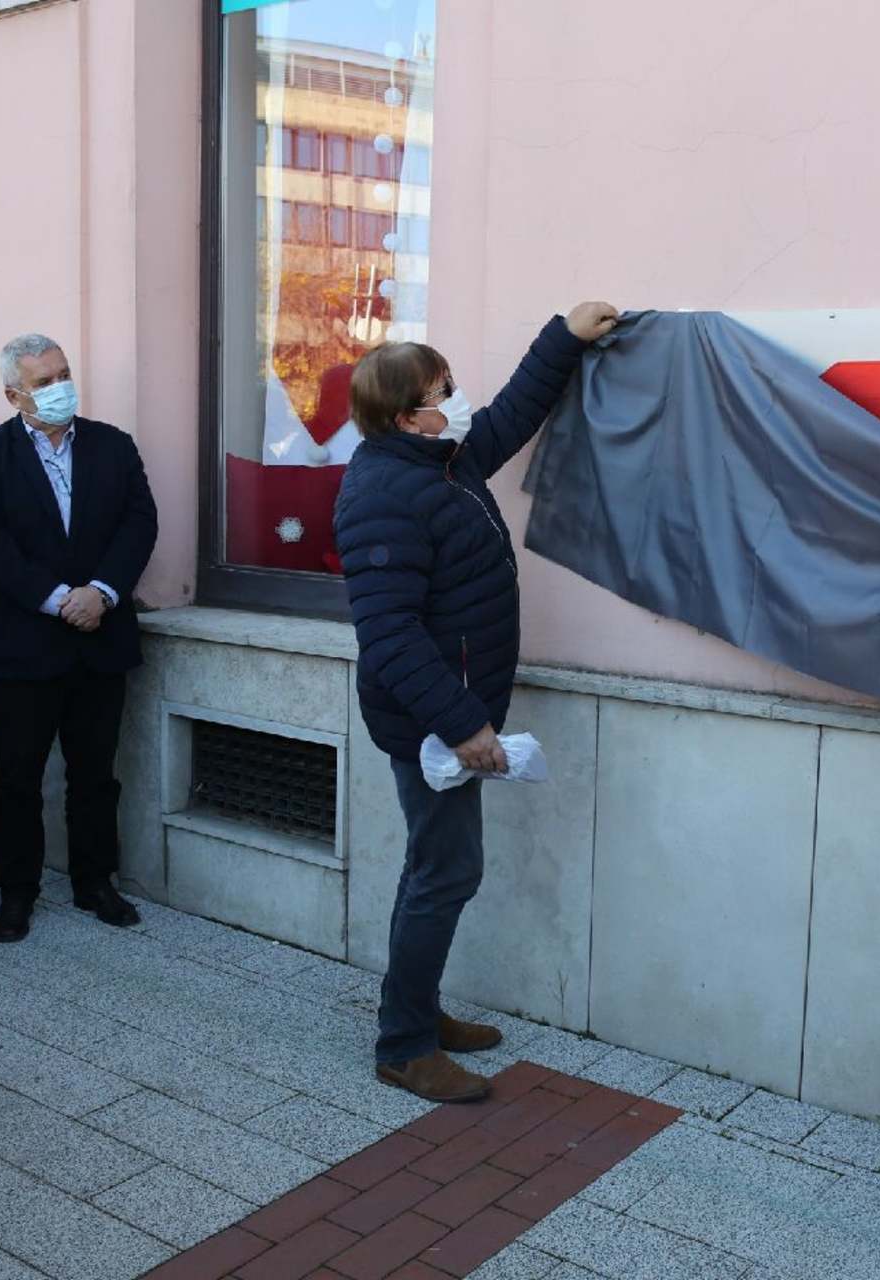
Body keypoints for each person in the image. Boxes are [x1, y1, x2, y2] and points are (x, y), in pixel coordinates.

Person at [334, 301, 620, 1104]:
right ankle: (405, 1046)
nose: (458, 400)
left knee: (435, 868)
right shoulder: (384, 494)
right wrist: (463, 727)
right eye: (444, 391)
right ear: (405, 416)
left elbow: (511, 415)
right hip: (431, 725)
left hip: (449, 713)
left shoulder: (441, 462)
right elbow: (388, 635)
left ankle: (415, 1012)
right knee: (447, 872)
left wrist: (564, 337)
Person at [0, 334, 159, 943]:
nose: (59, 387)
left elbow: (139, 523)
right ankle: (16, 889)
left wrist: (103, 592)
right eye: (43, 381)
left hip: (101, 638)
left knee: (95, 773)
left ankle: (95, 881)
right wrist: (57, 599)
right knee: (17, 776)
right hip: (21, 645)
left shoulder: (113, 445)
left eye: (63, 374)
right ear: (13, 394)